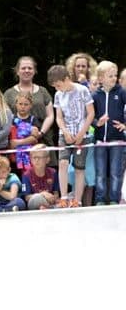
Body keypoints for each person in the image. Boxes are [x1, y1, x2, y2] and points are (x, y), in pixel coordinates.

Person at [48, 64, 94, 207]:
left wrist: (81, 133)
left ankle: (77, 200)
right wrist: (65, 132)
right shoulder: (58, 95)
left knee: (80, 167)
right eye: (55, 86)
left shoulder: (83, 90)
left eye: (59, 85)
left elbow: (91, 113)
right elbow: (59, 117)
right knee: (62, 162)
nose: (57, 88)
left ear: (67, 79)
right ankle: (64, 197)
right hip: (65, 133)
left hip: (82, 133)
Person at [3, 57, 56, 164]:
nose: (27, 70)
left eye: (30, 68)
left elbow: (50, 115)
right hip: (17, 143)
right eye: (23, 68)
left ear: (34, 71)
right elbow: (6, 118)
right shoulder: (9, 94)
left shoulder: (43, 91)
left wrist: (40, 133)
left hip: (42, 139)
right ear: (17, 71)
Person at [91, 60, 126, 205]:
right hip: (100, 140)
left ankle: (114, 199)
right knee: (100, 172)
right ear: (100, 78)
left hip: (117, 140)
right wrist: (97, 123)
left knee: (115, 172)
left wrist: (125, 125)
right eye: (110, 76)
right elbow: (90, 116)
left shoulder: (122, 92)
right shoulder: (95, 95)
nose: (114, 78)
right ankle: (99, 199)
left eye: (115, 75)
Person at [8, 91, 42, 174]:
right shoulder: (11, 119)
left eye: (26, 104)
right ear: (16, 104)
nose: (23, 107)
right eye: (20, 104)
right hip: (14, 157)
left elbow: (34, 139)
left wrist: (18, 142)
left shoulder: (33, 120)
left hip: (30, 157)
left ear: (30, 105)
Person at [21, 145, 60, 210]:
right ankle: (48, 207)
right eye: (34, 157)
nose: (36, 160)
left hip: (50, 201)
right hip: (34, 201)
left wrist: (53, 198)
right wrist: (43, 194)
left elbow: (56, 193)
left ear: (47, 159)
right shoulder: (26, 175)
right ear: (30, 159)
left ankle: (48, 207)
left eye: (39, 157)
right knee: (37, 198)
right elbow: (27, 197)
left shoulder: (53, 172)